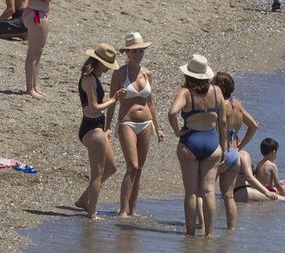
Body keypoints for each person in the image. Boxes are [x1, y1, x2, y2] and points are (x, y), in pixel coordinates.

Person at [170, 53, 228, 237]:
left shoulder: (185, 92)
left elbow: (172, 112)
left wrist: (177, 131)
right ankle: (210, 234)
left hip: (190, 142)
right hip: (211, 143)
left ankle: (190, 234)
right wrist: (223, 146)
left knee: (191, 192)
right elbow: (223, 122)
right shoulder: (217, 91)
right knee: (209, 190)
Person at [111, 33, 162, 220]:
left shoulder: (147, 73)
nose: (138, 55)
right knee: (131, 166)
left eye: (141, 52)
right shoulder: (119, 73)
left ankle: (133, 209)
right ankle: (123, 210)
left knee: (139, 168)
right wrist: (108, 127)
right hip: (127, 122)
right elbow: (112, 101)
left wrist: (158, 128)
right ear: (127, 53)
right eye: (134, 52)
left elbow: (152, 102)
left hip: (146, 123)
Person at [75, 44, 121, 220]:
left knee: (111, 167)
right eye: (106, 65)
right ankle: (92, 212)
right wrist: (114, 99)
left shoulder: (94, 78)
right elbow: (94, 108)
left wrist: (113, 98)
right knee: (98, 173)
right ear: (99, 62)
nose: (108, 69)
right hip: (91, 128)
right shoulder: (88, 79)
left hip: (97, 128)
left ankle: (83, 200)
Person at [213, 71, 260, 231]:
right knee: (228, 195)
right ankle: (231, 230)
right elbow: (254, 125)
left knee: (202, 190)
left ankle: (204, 226)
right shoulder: (237, 105)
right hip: (234, 155)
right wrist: (240, 146)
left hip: (220, 152)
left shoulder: (219, 106)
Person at [22, 0, 53, 97]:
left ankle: (36, 85)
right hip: (35, 14)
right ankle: (30, 88)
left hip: (39, 12)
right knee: (33, 52)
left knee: (38, 52)